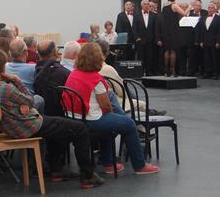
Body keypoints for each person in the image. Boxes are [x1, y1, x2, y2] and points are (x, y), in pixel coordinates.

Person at [0, 49, 104, 188]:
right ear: (2, 67)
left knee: (61, 127)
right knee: (80, 129)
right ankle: (87, 176)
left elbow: (21, 101)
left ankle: (56, 171)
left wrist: (22, 103)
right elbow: (30, 99)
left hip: (12, 126)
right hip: (27, 126)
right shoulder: (5, 89)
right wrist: (17, 80)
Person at [63, 43, 159, 176]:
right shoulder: (96, 79)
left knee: (111, 124)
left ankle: (109, 163)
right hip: (91, 120)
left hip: (74, 118)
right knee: (129, 124)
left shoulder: (73, 74)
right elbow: (106, 106)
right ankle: (140, 165)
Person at [33, 40, 70, 117]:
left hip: (42, 113)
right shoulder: (65, 73)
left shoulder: (34, 70)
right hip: (61, 114)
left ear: (38, 54)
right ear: (55, 53)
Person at [159, 0, 189, 77]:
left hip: (166, 31)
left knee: (166, 51)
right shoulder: (174, 6)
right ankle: (172, 71)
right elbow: (184, 14)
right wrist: (189, 7)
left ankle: (166, 71)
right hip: (173, 31)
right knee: (172, 51)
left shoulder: (164, 6)